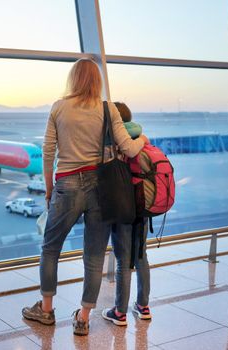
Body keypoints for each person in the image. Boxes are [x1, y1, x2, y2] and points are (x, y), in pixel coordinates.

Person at [21, 59, 148, 336]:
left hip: (66, 184)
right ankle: (84, 317)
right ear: (97, 81)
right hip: (100, 188)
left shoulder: (59, 107)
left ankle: (45, 309)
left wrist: (48, 188)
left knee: (50, 248)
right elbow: (128, 147)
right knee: (93, 257)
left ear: (73, 79)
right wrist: (143, 140)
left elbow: (48, 152)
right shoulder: (107, 108)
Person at [102, 102, 152, 326]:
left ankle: (119, 312)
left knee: (123, 260)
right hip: (143, 206)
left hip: (123, 206)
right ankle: (143, 306)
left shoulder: (114, 141)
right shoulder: (142, 137)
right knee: (141, 257)